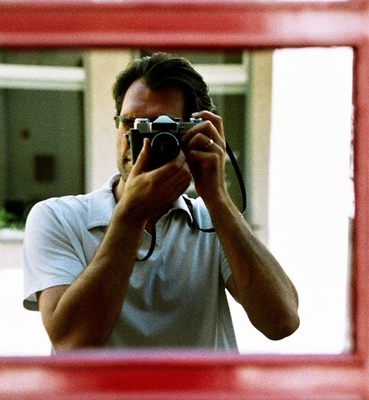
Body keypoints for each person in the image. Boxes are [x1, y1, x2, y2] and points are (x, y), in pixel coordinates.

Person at [23, 52, 299, 351]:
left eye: (160, 127)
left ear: (194, 132)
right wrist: (131, 217)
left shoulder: (212, 221)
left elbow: (281, 322)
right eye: (131, 123)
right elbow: (70, 341)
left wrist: (218, 197)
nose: (140, 140)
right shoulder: (58, 218)